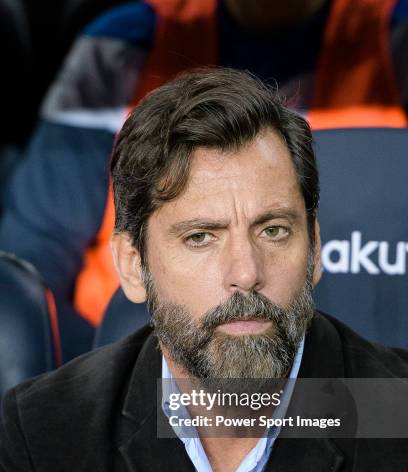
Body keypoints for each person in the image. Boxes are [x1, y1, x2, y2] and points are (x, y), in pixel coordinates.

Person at [1, 68, 408, 472]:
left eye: (274, 230)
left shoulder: (399, 415)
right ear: (132, 265)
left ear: (314, 250)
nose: (245, 271)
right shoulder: (42, 436)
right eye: (201, 237)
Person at [1, 0, 407, 360]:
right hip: (136, 363)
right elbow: (35, 254)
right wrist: (106, 390)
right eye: (199, 236)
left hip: (346, 374)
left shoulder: (396, 36)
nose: (245, 271)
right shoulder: (126, 40)